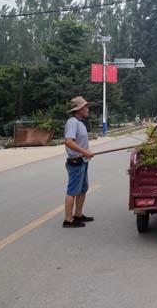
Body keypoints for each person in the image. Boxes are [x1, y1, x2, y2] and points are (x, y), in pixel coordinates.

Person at [63, 96, 95, 228]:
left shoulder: (80, 123)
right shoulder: (72, 122)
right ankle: (68, 220)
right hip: (76, 161)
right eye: (85, 107)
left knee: (83, 189)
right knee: (72, 191)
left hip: (83, 161)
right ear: (79, 109)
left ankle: (78, 214)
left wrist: (86, 153)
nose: (88, 109)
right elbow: (68, 141)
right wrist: (84, 152)